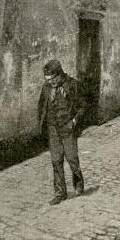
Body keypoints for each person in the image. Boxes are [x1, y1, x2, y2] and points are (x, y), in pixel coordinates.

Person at [37, 60, 86, 205]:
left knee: (72, 158)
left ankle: (78, 184)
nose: (50, 82)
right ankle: (60, 193)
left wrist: (75, 121)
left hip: (68, 127)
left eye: (52, 79)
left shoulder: (72, 85)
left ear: (59, 75)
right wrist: (43, 125)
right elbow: (41, 107)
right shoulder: (46, 88)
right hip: (53, 129)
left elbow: (82, 106)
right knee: (56, 160)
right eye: (48, 79)